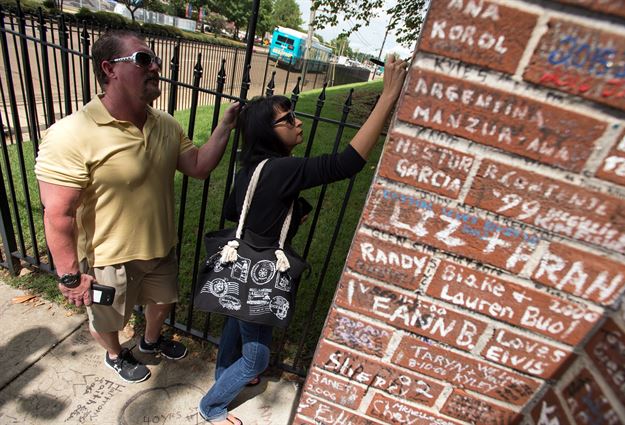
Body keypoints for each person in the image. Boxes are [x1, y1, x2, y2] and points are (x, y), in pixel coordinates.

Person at [198, 55, 407, 425]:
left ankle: (222, 376)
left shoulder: (252, 168)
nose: (298, 121)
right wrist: (388, 95)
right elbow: (346, 163)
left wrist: (286, 210)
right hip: (260, 271)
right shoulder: (283, 169)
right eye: (288, 118)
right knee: (256, 358)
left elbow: (236, 211)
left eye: (294, 113)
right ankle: (212, 406)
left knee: (235, 321)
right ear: (268, 131)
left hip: (239, 267)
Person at [34, 30, 240, 384]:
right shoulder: (71, 133)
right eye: (144, 59)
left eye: (155, 59)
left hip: (160, 246)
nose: (156, 66)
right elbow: (58, 213)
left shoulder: (167, 124)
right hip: (108, 257)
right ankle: (115, 354)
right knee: (109, 318)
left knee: (162, 303)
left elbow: (199, 167)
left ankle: (149, 342)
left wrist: (225, 126)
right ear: (109, 69)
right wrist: (69, 276)